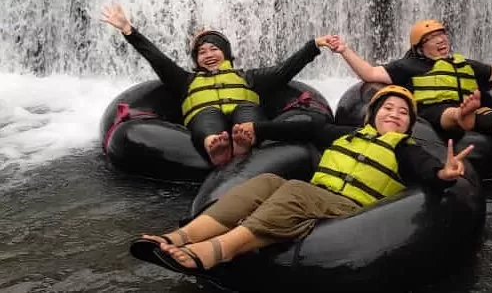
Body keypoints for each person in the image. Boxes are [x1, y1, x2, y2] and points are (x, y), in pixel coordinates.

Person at [130, 86, 474, 273]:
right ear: (373, 114)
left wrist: (443, 174)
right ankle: (177, 236)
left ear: (409, 124)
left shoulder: (406, 148)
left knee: (294, 189)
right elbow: (307, 127)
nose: (395, 115)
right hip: (317, 196)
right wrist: (257, 129)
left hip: (352, 210)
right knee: (266, 181)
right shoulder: (346, 135)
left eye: (403, 113)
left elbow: (428, 171)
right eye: (388, 108)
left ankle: (215, 251)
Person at [101, 4, 335, 166]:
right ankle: (214, 145)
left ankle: (245, 139)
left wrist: (313, 46)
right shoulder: (186, 80)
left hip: (244, 113)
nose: (209, 54)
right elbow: (157, 58)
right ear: (196, 60)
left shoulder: (248, 77)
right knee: (206, 117)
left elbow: (286, 69)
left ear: (227, 54)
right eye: (202, 52)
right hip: (205, 115)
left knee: (248, 112)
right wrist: (128, 31)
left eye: (214, 49)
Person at [329, 20, 492, 142]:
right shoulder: (407, 66)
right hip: (435, 112)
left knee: (491, 117)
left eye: (441, 35)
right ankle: (461, 115)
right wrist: (344, 50)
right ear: (419, 47)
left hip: (473, 109)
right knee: (452, 114)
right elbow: (370, 74)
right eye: (431, 39)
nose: (439, 41)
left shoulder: (461, 63)